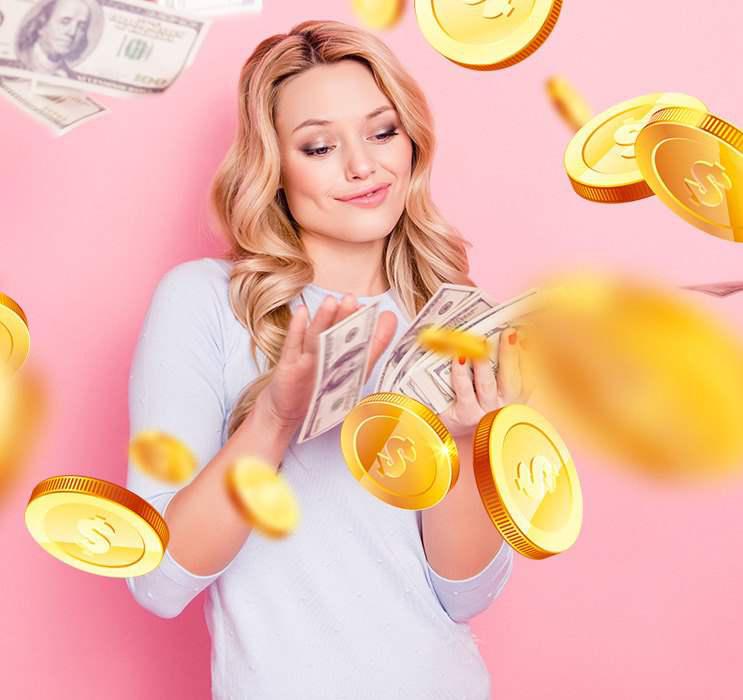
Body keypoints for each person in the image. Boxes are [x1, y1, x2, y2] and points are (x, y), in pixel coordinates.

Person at [126, 19, 531, 700]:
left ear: (412, 141)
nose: (361, 167)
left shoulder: (459, 318)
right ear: (274, 166)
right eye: (318, 146)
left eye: (381, 132)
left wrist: (467, 446)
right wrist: (276, 420)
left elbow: (461, 595)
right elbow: (158, 580)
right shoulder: (205, 303)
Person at [16, 0, 92, 78]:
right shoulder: (16, 61)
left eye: (81, 27)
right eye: (65, 22)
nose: (72, 32)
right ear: (42, 24)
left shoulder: (71, 78)